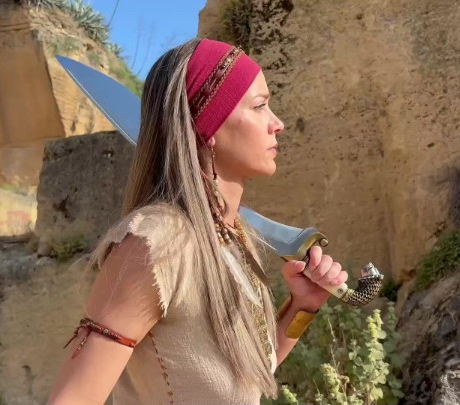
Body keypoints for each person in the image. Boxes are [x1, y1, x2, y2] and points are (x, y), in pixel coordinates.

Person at [46, 38, 348, 405]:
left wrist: (303, 305)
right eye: (260, 106)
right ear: (210, 127)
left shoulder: (233, 240)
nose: (278, 124)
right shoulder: (156, 243)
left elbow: (247, 378)